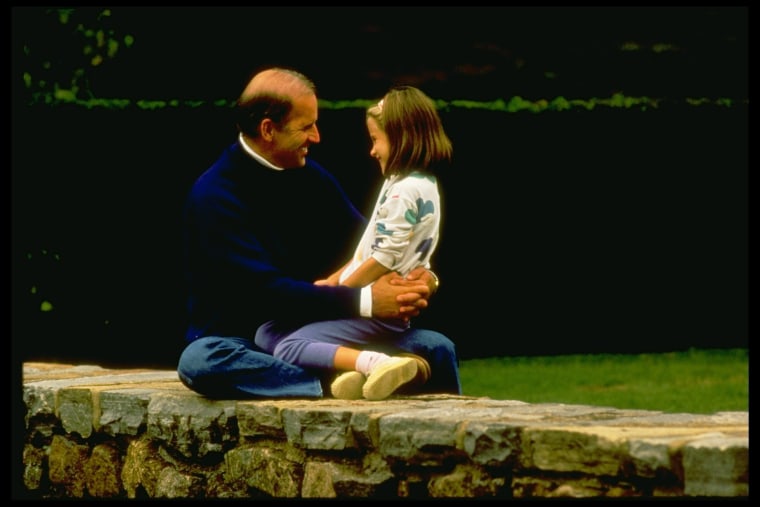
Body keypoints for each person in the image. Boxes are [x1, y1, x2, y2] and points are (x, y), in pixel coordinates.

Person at [176, 67, 461, 399]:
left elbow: (372, 246)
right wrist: (367, 301)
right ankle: (333, 380)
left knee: (436, 346)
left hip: (322, 330)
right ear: (268, 129)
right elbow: (265, 295)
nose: (317, 137)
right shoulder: (214, 196)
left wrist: (422, 279)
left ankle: (448, 441)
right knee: (200, 361)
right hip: (246, 341)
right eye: (306, 126)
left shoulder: (312, 178)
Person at [254, 86, 453, 401]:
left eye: (376, 140)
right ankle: (358, 372)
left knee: (288, 346)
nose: (372, 151)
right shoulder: (408, 184)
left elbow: (383, 259)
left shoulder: (405, 191)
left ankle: (379, 364)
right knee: (268, 332)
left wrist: (337, 293)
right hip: (366, 307)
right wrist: (330, 282)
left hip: (377, 312)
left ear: (402, 138)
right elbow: (369, 251)